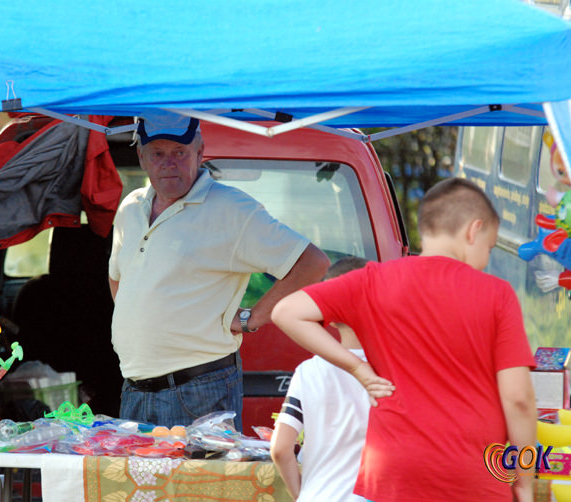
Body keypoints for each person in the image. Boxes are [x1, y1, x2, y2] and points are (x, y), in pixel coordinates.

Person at [271, 178, 537, 502]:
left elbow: (286, 312)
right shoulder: (497, 294)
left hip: (391, 474)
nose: (486, 259)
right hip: (473, 473)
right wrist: (524, 478)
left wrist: (358, 369)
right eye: (489, 246)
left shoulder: (372, 281)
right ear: (473, 230)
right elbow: (519, 399)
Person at [108, 110, 329, 430]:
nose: (168, 162)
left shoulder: (232, 208)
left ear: (200, 154)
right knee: (139, 482)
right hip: (135, 390)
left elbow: (312, 262)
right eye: (158, 153)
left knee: (200, 483)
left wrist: (252, 318)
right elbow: (118, 278)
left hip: (197, 391)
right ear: (142, 158)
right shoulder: (131, 207)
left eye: (179, 153)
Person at [271, 256, 370, 502]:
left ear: (329, 315)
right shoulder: (395, 369)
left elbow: (281, 449)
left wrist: (300, 494)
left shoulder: (308, 371)